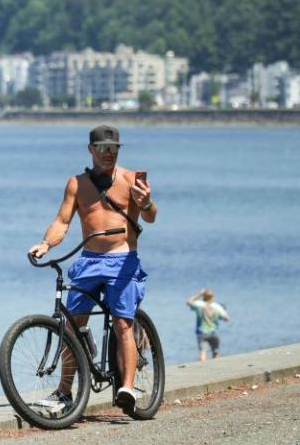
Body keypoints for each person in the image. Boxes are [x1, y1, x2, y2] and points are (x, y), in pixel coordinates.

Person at [27, 124, 157, 415]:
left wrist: (146, 202)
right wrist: (46, 244)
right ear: (91, 150)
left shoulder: (130, 179)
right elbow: (62, 221)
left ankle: (127, 387)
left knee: (123, 323)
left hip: (121, 260)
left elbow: (151, 216)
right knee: (71, 324)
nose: (108, 153)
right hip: (88, 261)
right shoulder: (77, 183)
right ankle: (64, 391)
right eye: (103, 148)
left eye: (113, 148)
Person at [187, 288, 231, 361]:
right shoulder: (217, 307)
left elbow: (188, 302)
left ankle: (202, 368)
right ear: (212, 297)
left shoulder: (199, 306)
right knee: (215, 351)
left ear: (203, 297)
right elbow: (227, 319)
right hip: (213, 334)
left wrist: (199, 294)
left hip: (202, 334)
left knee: (203, 351)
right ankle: (217, 367)